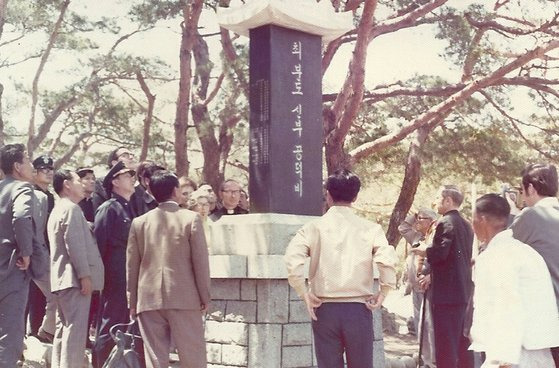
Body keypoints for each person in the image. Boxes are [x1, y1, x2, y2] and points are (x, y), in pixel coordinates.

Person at [284, 169, 397, 368]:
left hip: (324, 308)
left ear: (328, 194)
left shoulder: (313, 227)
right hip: (358, 308)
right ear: (355, 196)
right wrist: (384, 290)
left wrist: (303, 293)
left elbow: (293, 261)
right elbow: (386, 260)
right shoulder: (371, 229)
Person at [127, 171, 210, 368]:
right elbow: (200, 263)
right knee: (193, 356)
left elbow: (132, 265)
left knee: (155, 359)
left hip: (148, 299)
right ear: (175, 191)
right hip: (184, 297)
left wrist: (132, 301)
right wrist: (205, 296)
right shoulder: (191, 219)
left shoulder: (139, 222)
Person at [470, 193, 559, 367]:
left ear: (481, 219)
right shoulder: (525, 252)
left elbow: (507, 307)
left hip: (515, 355)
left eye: (472, 219)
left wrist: (503, 359)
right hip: (535, 352)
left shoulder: (498, 256)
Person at [412, 185, 474, 368]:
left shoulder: (445, 223)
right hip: (462, 293)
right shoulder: (466, 224)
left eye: (438, 198)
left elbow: (440, 253)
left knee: (445, 347)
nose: (435, 201)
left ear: (448, 200)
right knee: (463, 345)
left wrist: (424, 250)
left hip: (446, 295)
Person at [48, 170, 104, 368]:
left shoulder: (59, 208)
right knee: (75, 333)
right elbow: (74, 245)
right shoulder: (71, 209)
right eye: (78, 180)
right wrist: (85, 276)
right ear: (67, 185)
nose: (83, 184)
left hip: (63, 280)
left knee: (64, 331)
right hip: (74, 280)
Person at [509, 163, 559, 366]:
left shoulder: (530, 216)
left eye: (522, 190)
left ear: (531, 188)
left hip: (546, 316)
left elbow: (501, 248)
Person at [92, 161, 136, 367]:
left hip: (127, 275)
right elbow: (99, 246)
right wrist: (101, 279)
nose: (132, 179)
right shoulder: (108, 208)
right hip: (114, 276)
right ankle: (101, 363)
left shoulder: (128, 208)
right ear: (115, 181)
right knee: (110, 323)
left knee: (122, 324)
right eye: (128, 175)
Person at [0, 144, 37, 366]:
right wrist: (27, 252)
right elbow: (22, 218)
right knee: (10, 337)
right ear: (17, 166)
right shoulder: (22, 189)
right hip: (13, 269)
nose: (31, 165)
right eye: (28, 160)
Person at [401, 208, 437, 368]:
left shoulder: (435, 237)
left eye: (421, 219)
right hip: (416, 288)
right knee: (419, 326)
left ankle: (432, 361)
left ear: (430, 221)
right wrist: (414, 215)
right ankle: (424, 359)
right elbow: (402, 228)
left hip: (428, 288)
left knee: (429, 326)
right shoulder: (416, 236)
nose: (417, 222)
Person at [26, 155, 56, 340]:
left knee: (43, 295)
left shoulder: (50, 197)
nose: (49, 173)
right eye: (44, 170)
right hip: (31, 251)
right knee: (31, 295)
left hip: (46, 251)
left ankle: (39, 333)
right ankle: (31, 333)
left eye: (51, 169)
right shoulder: (30, 193)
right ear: (35, 172)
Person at [91, 147, 137, 213]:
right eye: (125, 155)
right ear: (114, 163)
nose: (131, 157)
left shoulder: (137, 181)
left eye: (131, 155)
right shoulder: (102, 182)